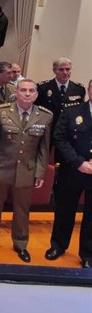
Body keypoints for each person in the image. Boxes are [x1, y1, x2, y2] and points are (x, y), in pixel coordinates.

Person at [0, 79, 52, 263]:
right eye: (23, 90)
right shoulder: (1, 111)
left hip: (27, 170)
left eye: (31, 91)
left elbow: (44, 148)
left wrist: (40, 172)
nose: (27, 94)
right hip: (3, 168)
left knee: (22, 209)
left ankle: (20, 244)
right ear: (16, 93)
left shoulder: (45, 116)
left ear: (36, 94)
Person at [46, 80, 92, 268]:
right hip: (72, 170)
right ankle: (58, 245)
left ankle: (88, 254)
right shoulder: (72, 110)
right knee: (65, 210)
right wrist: (79, 162)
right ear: (89, 89)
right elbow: (59, 138)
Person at [35, 58, 86, 132]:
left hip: (68, 130)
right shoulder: (43, 87)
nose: (65, 72)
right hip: (48, 129)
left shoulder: (79, 89)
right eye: (61, 69)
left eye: (68, 69)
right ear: (54, 71)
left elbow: (80, 111)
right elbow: (37, 110)